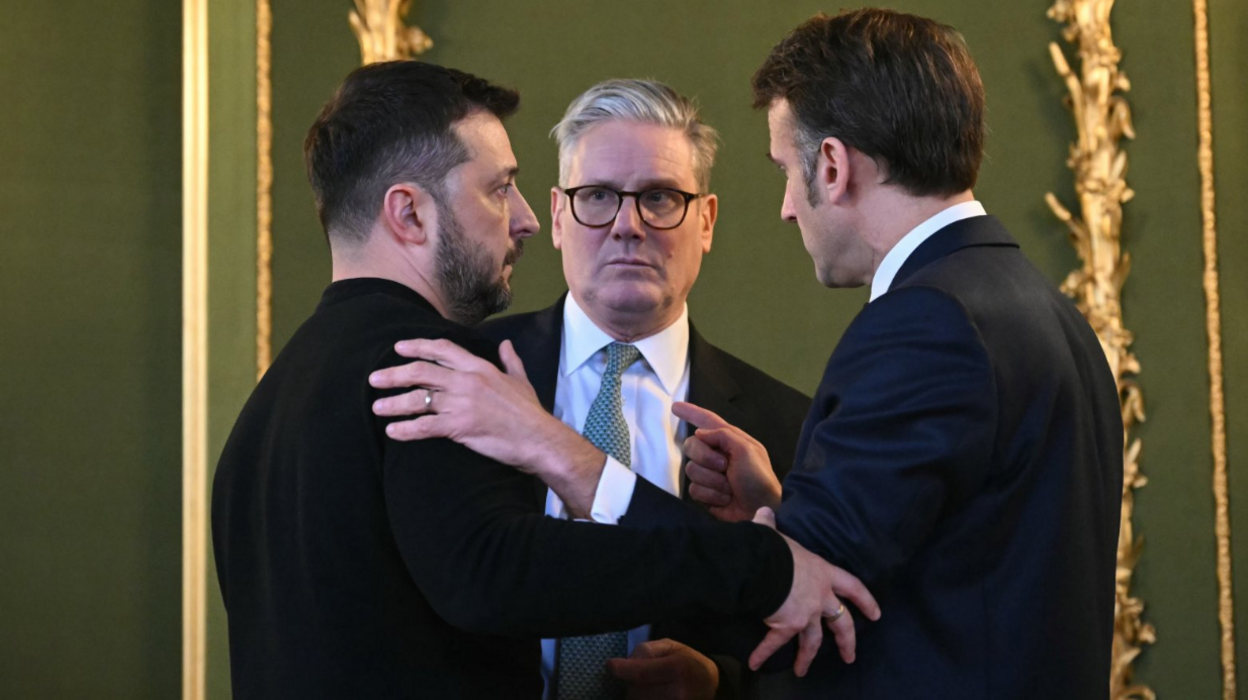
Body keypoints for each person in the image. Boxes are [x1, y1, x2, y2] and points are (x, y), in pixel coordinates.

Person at [371, 8, 1123, 700]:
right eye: (598, 196)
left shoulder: (926, 322)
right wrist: (779, 512)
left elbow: (806, 591)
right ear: (561, 215)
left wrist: (564, 456)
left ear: (830, 165)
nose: (791, 205)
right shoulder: (1043, 308)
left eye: (787, 174)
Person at [211, 60, 874, 700]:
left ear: (706, 220)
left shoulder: (266, 405)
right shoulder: (445, 366)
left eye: (661, 198)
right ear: (409, 214)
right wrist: (760, 564)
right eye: (499, 188)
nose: (522, 217)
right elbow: (496, 571)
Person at [488, 79, 810, 699]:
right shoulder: (474, 376)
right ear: (557, 217)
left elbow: (820, 656)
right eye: (599, 196)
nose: (628, 225)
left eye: (660, 197)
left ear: (706, 221)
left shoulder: (788, 429)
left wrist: (722, 684)